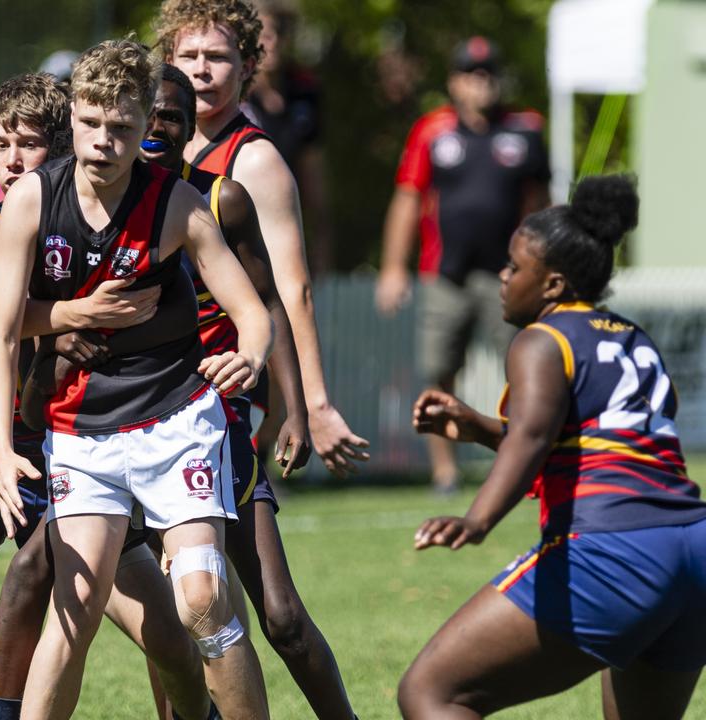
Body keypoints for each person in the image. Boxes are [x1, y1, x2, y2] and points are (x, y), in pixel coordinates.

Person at [0, 72, 213, 720]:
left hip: (79, 445)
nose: (11, 159)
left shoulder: (92, 218)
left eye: (29, 143)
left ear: (63, 144)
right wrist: (82, 311)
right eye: (0, 143)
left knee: (170, 637)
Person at [0, 39, 274, 719]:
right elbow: (1, 334)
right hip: (81, 432)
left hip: (175, 421)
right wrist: (1, 449)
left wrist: (252, 356)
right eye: (90, 122)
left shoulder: (175, 203)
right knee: (75, 608)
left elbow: (251, 312)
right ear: (74, 118)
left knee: (201, 595)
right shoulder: (32, 199)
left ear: (146, 126)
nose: (103, 141)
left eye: (120, 126)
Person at [400, 176, 706, 718]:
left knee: (430, 693)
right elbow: (601, 439)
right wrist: (480, 428)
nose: (503, 275)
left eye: (516, 267)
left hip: (616, 549)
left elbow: (535, 436)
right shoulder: (634, 338)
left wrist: (477, 520)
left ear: (553, 285)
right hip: (693, 550)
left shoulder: (543, 339)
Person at [139, 62, 357, 720]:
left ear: (189, 130)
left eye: (171, 117)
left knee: (282, 617)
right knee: (175, 619)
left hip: (217, 420)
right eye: (146, 113)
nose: (156, 126)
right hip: (133, 424)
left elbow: (265, 305)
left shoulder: (220, 198)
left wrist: (292, 407)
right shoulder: (98, 207)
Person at [157, 0, 370, 478]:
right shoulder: (151, 142)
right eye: (188, 55)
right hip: (153, 371)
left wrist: (312, 404)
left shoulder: (254, 160)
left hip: (219, 378)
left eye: (218, 56)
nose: (201, 69)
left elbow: (292, 290)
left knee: (230, 536)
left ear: (248, 65)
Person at [376, 36, 551, 494]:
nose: (482, 83)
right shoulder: (432, 131)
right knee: (439, 369)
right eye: (472, 75)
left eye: (489, 74)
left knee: (525, 365)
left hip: (508, 279)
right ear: (455, 82)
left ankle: (523, 457)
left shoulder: (526, 129)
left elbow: (539, 205)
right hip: (445, 275)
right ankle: (445, 469)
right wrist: (394, 267)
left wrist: (545, 267)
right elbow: (408, 200)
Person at [242, 0, 333, 274]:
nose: (274, 42)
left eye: (281, 33)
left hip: (285, 226)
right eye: (265, 34)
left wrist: (321, 240)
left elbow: (312, 171)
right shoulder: (233, 93)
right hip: (238, 228)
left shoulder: (304, 92)